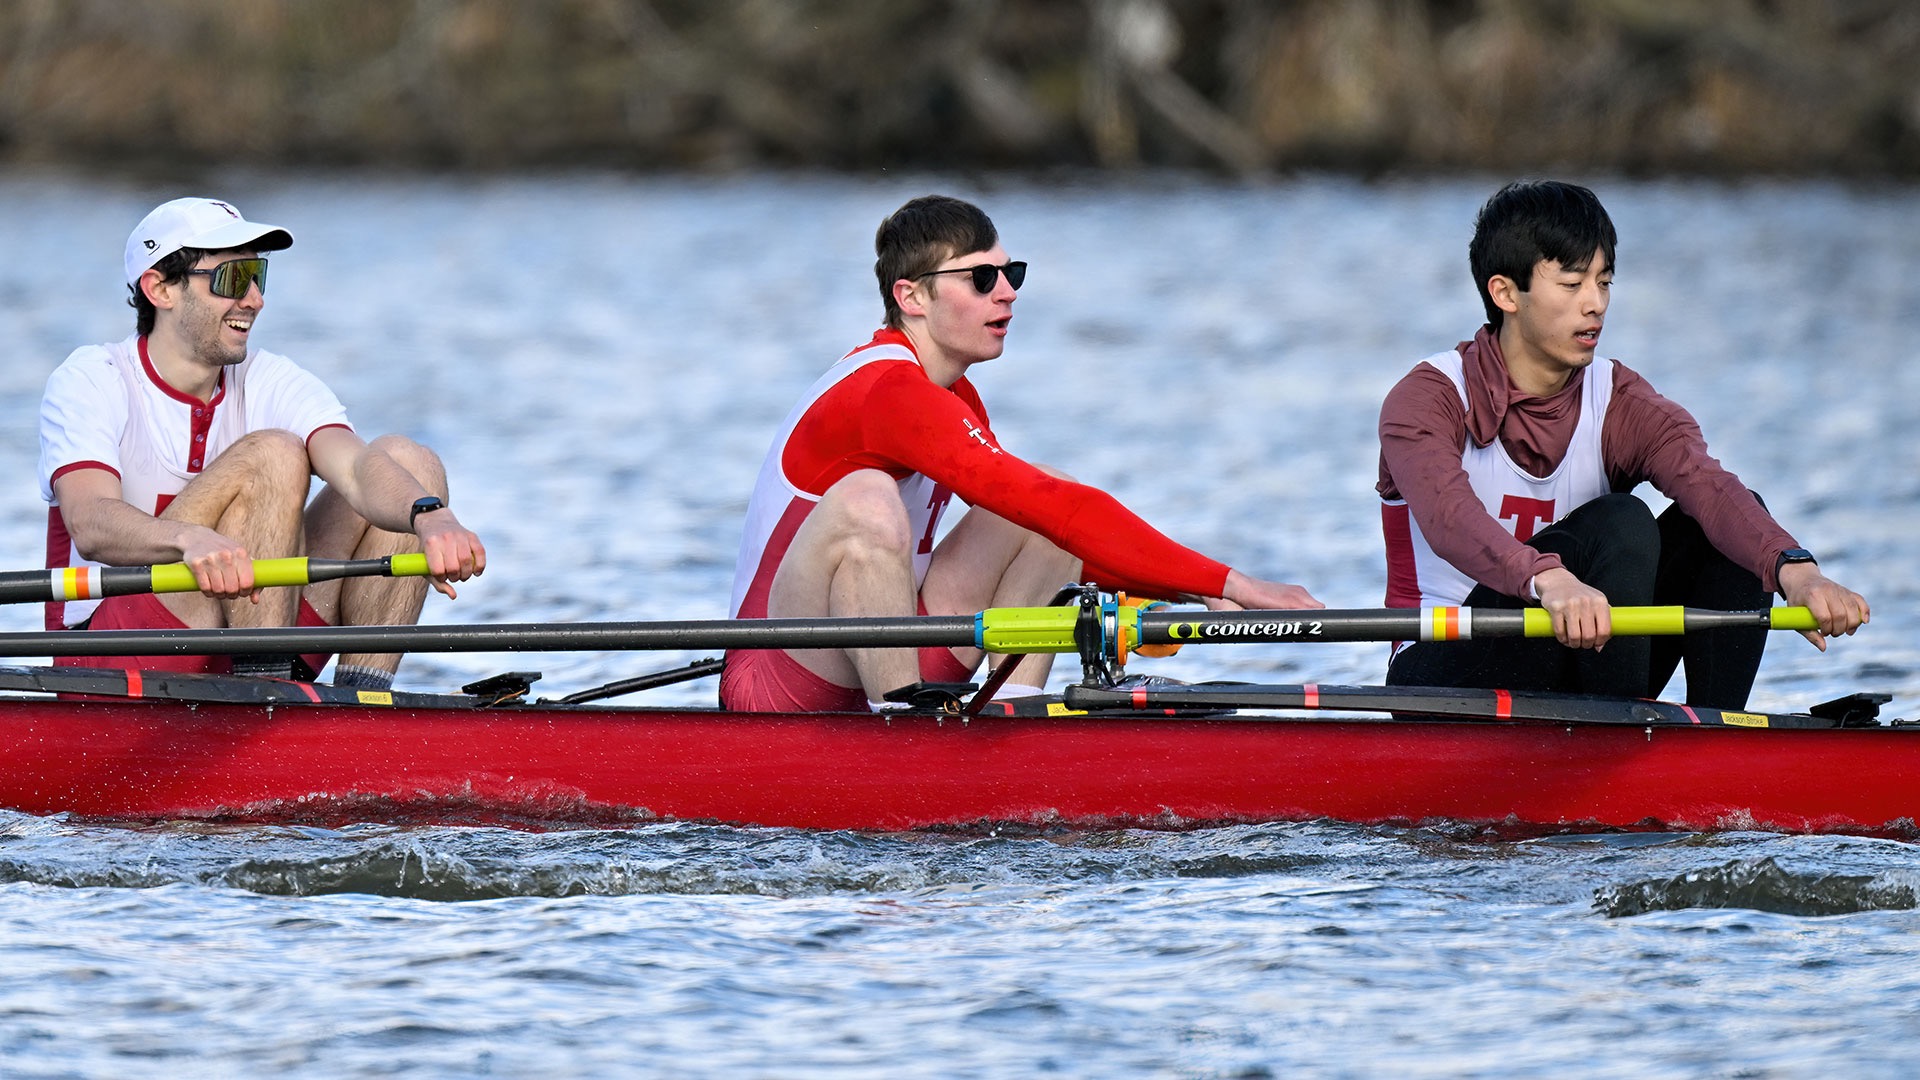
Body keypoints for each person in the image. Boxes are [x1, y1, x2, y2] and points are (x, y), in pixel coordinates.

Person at [723, 194, 1321, 712]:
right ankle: (902, 730)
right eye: (981, 279)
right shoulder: (886, 390)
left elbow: (1044, 515)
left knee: (1035, 519)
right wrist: (1235, 581)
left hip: (883, 641)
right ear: (912, 297)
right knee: (869, 501)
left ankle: (1018, 714)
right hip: (778, 674)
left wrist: (1191, 590)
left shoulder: (956, 395)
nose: (1007, 293)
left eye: (1012, 274)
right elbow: (1051, 505)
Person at [1376, 179, 1868, 708]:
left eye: (1604, 282)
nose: (1595, 305)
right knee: (1622, 522)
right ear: (1505, 294)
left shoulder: (1619, 401)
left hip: (1588, 659)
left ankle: (1716, 738)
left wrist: (1797, 569)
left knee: (1730, 530)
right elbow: (1447, 518)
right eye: (1571, 284)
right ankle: (1626, 736)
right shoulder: (1427, 399)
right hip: (1445, 673)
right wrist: (1545, 580)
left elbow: (1709, 486)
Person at [38, 196, 487, 687]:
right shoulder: (92, 378)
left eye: (258, 276)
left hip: (248, 627)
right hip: (114, 652)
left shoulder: (271, 378)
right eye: (232, 279)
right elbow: (90, 522)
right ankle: (268, 698)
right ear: (160, 288)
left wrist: (431, 515)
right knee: (272, 453)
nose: (254, 299)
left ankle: (364, 703)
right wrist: (189, 539)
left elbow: (358, 471)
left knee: (410, 464)